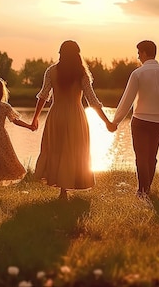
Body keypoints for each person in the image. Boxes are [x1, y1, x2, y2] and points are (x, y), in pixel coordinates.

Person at [31, 40, 113, 200]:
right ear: (77, 54)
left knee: (57, 149)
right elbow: (92, 100)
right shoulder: (81, 73)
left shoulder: (51, 71)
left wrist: (35, 118)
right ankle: (68, 186)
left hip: (56, 115)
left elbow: (43, 96)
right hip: (76, 116)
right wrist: (107, 122)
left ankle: (62, 190)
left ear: (60, 53)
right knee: (74, 151)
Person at [108, 40, 159, 198]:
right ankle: (147, 189)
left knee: (141, 157)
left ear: (144, 53)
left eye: (139, 53)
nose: (138, 56)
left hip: (140, 121)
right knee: (151, 156)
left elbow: (127, 100)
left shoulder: (138, 73)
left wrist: (115, 121)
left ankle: (142, 190)